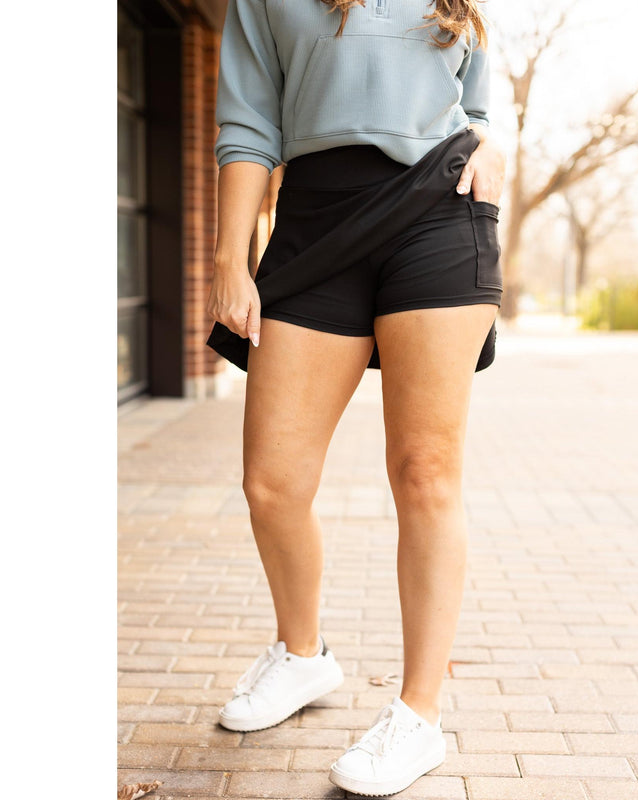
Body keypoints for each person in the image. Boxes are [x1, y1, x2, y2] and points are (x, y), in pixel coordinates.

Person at [206, 0, 506, 795]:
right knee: (272, 482)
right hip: (314, 219)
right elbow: (249, 124)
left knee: (425, 470)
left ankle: (418, 714)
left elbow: (478, 105)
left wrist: (492, 141)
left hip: (439, 214)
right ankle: (302, 655)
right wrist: (230, 258)